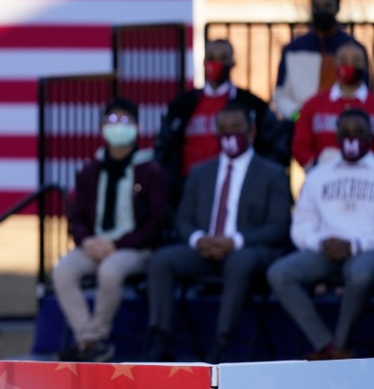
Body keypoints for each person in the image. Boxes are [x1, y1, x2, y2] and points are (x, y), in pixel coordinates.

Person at [145, 101, 292, 364]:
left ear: (252, 131)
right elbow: (184, 219)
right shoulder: (200, 172)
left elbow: (279, 227)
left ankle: (222, 345)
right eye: (223, 128)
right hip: (205, 249)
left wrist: (234, 241)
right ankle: (160, 341)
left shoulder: (273, 173)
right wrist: (198, 239)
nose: (229, 134)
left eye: (236, 127)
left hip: (248, 251)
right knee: (160, 261)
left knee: (240, 261)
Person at [52, 98, 168, 362]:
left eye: (124, 121)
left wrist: (118, 245)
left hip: (134, 248)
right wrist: (86, 240)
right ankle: (89, 339)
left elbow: (157, 220)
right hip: (95, 244)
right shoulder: (90, 171)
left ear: (137, 127)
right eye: (112, 121)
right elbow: (77, 217)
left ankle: (98, 336)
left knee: (110, 271)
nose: (117, 127)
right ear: (102, 127)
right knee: (63, 271)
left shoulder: (150, 171)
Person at [267, 108, 374, 360]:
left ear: (370, 135)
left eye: (359, 132)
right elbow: (301, 225)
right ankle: (326, 345)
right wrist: (322, 242)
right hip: (325, 250)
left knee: (361, 275)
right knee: (280, 273)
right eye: (345, 132)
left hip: (366, 250)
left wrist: (355, 245)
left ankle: (340, 343)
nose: (351, 137)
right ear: (335, 135)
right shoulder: (318, 175)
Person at [155, 39, 288, 209]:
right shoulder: (182, 106)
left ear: (232, 63)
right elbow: (164, 147)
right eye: (212, 57)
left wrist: (259, 179)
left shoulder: (252, 105)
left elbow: (276, 144)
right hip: (189, 188)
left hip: (240, 188)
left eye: (223, 58)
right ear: (204, 63)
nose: (216, 63)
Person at [272, 0, 366, 121]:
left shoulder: (353, 49)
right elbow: (280, 94)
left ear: (337, 7)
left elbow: (363, 90)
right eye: (317, 6)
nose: (322, 11)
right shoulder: (293, 49)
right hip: (301, 124)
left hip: (343, 125)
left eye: (328, 6)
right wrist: (298, 116)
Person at [292, 42, 374, 170]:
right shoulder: (313, 105)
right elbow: (300, 145)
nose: (350, 65)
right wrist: (317, 168)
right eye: (343, 60)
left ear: (365, 65)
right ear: (335, 64)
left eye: (356, 60)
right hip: (325, 179)